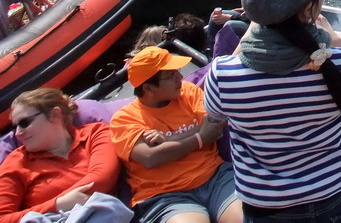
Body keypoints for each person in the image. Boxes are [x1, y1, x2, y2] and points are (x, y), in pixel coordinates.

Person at [204, 0, 341, 223]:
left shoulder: (223, 76)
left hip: (265, 208)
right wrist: (333, 39)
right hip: (336, 199)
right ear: (313, 2)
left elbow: (214, 115)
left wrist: (253, 27)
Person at [109, 46, 242, 223]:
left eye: (177, 72)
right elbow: (151, 157)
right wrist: (200, 138)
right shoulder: (124, 119)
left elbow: (214, 125)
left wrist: (169, 139)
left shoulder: (189, 91)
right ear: (149, 88)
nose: (180, 77)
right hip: (166, 196)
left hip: (215, 178)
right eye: (171, 75)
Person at [0, 88, 125, 223]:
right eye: (15, 127)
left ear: (54, 115)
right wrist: (57, 204)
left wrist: (64, 202)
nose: (18, 133)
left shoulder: (95, 133)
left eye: (24, 123)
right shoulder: (16, 163)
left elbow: (102, 178)